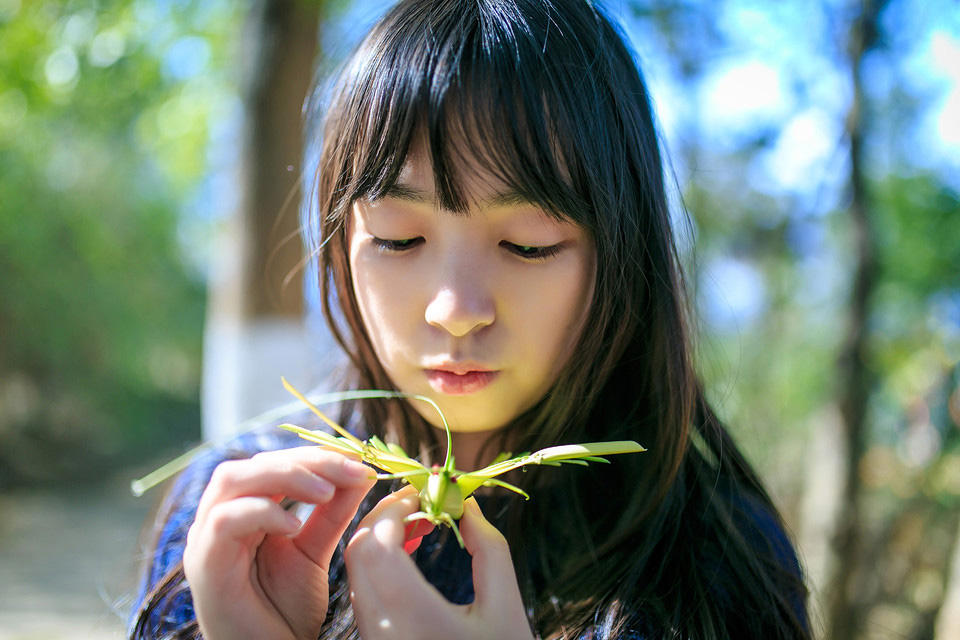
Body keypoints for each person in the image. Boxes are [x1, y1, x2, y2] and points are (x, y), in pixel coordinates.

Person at [129, 0, 810, 638]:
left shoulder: (715, 562)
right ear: (339, 244)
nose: (455, 311)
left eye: (527, 245)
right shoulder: (245, 531)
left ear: (623, 258)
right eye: (399, 238)